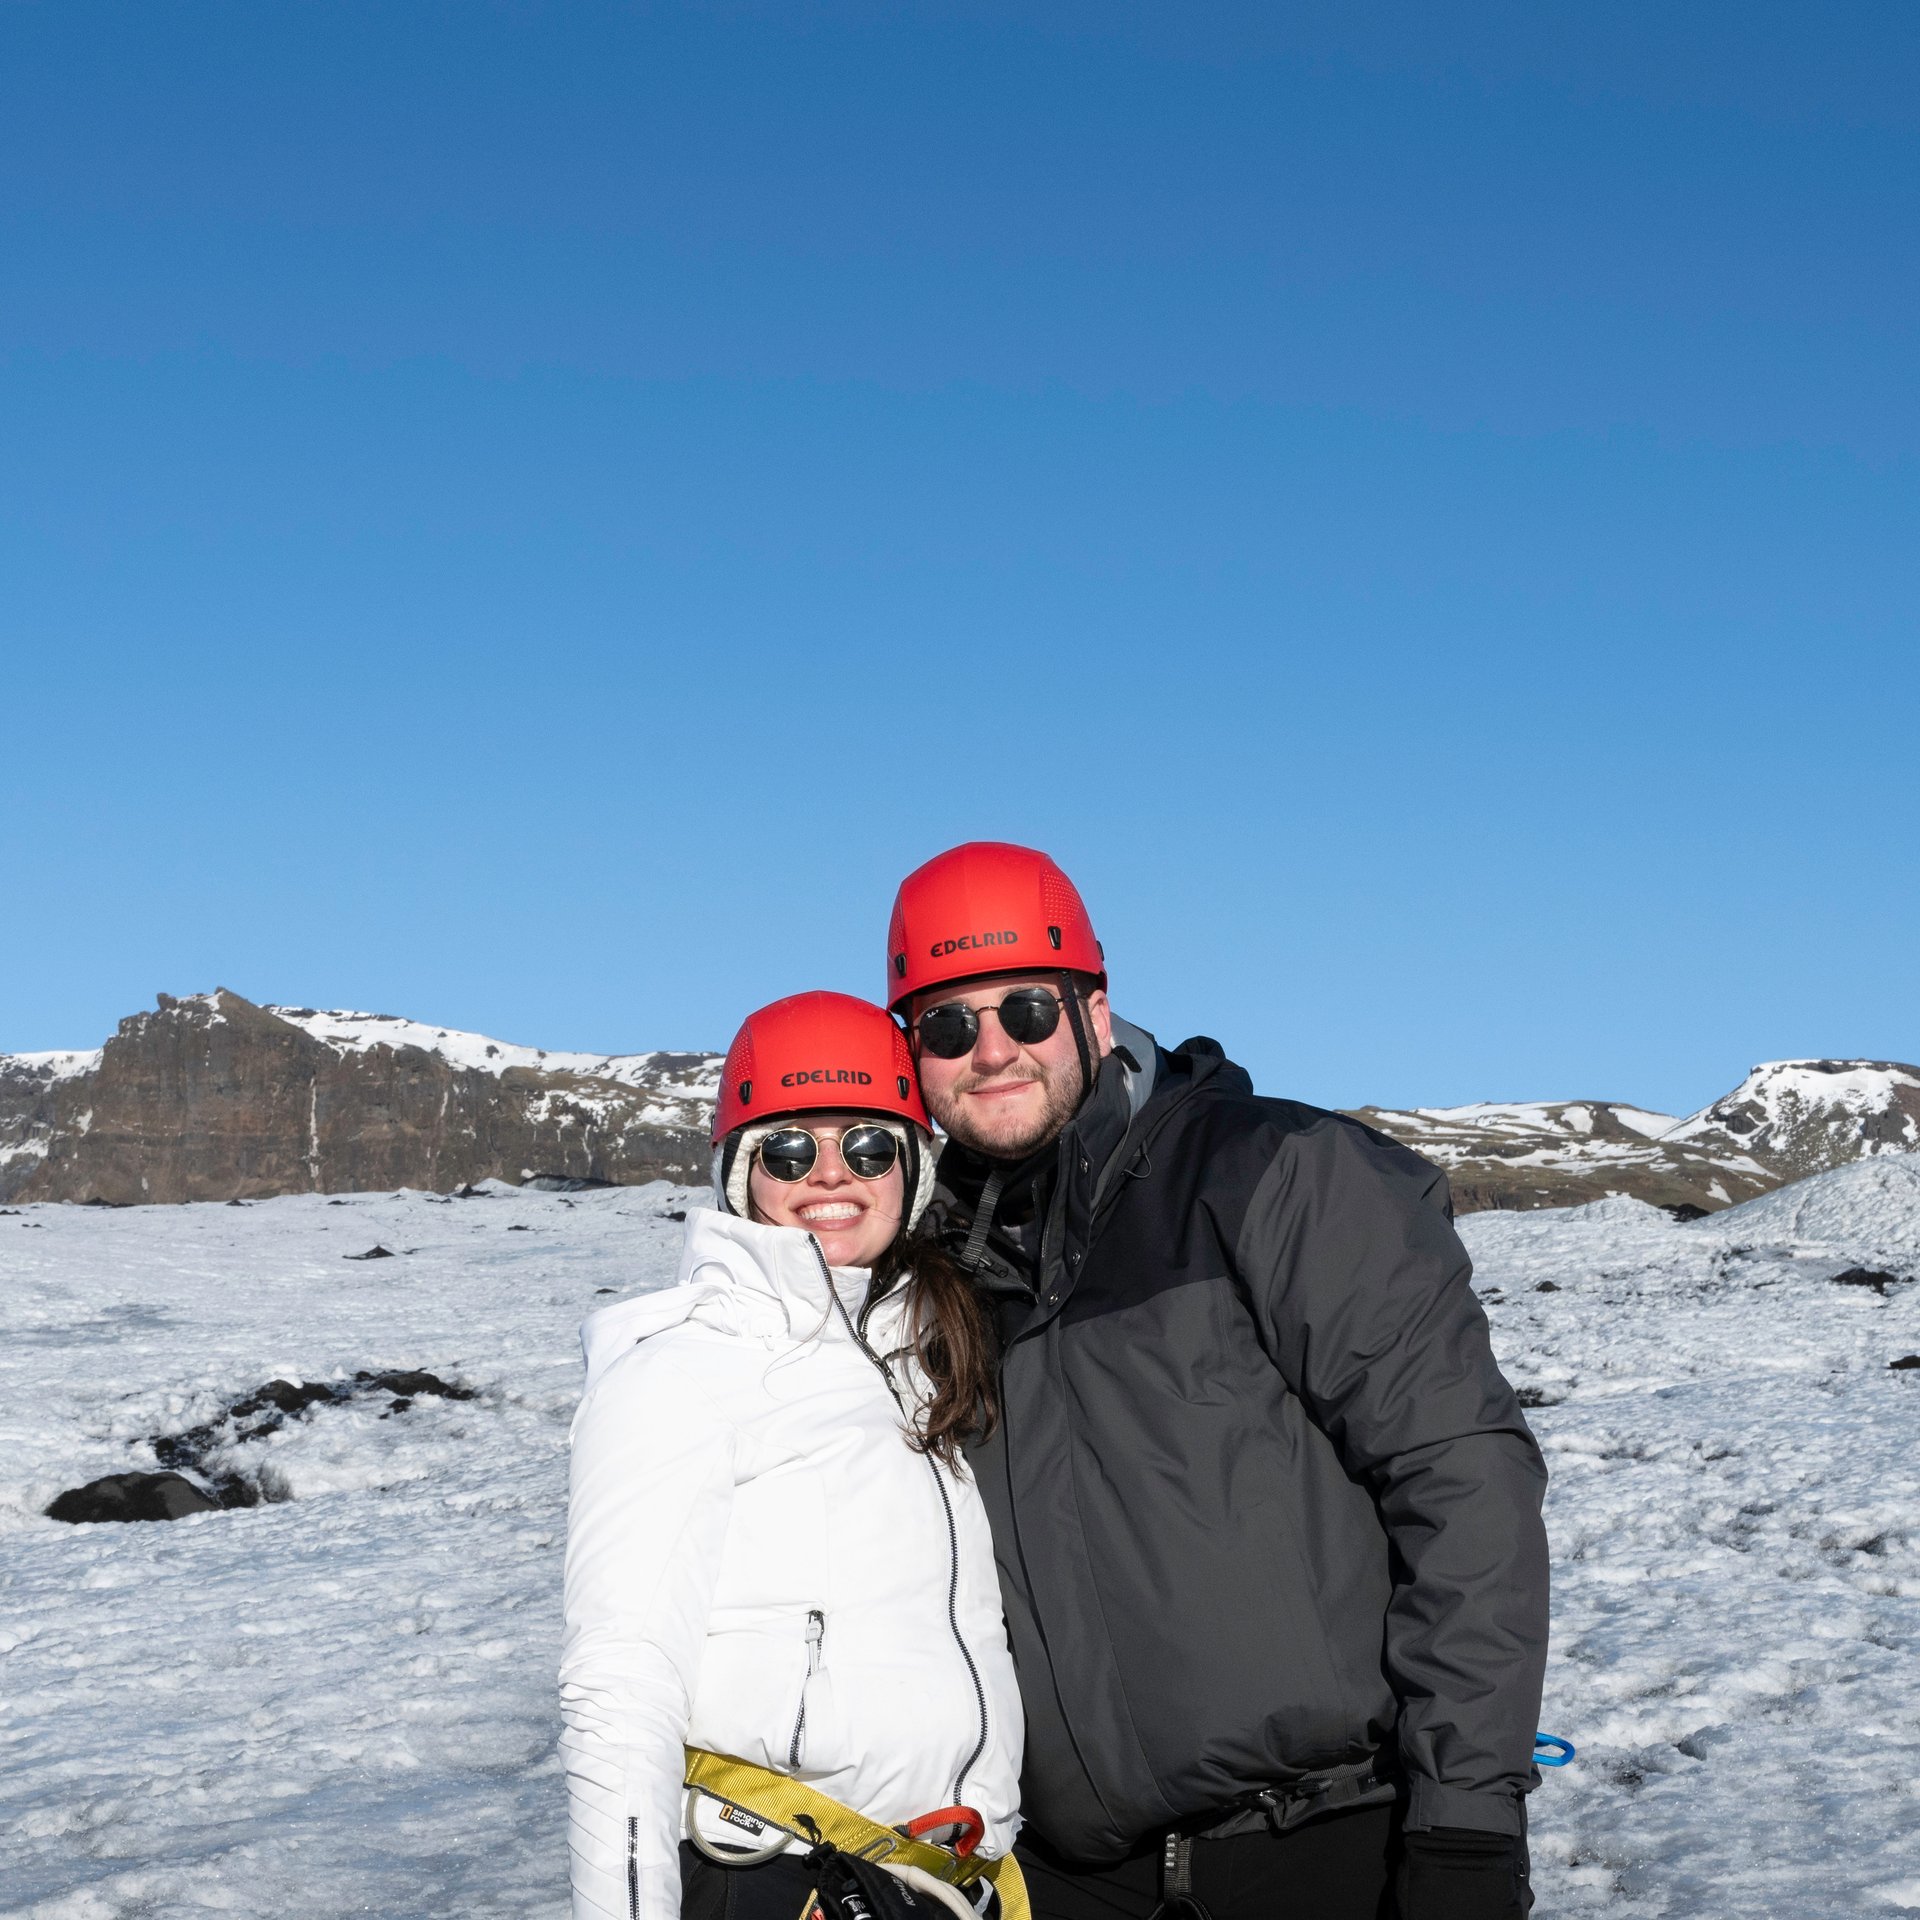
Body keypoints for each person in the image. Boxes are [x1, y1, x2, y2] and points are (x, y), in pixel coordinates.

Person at [884, 843, 1550, 1920]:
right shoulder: (941, 1267)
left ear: (1094, 1018)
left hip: (1330, 1851)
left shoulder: (1274, 1174)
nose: (992, 1050)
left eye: (1028, 1012)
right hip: (1073, 1879)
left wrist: (1467, 1819)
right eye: (950, 1025)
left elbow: (1462, 1476)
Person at [559, 991, 1026, 1920]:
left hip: (933, 1879)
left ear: (912, 1170)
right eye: (786, 1148)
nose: (829, 1175)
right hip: (782, 1879)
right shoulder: (683, 1371)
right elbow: (620, 1683)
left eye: (867, 1145)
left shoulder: (921, 1361)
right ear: (740, 1174)